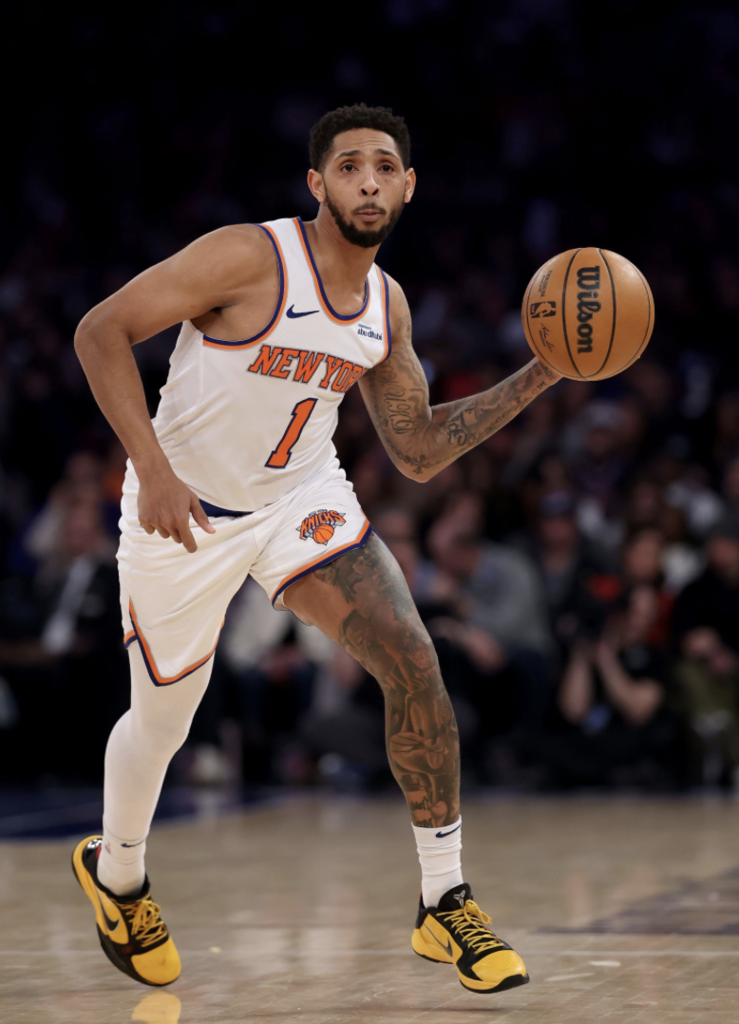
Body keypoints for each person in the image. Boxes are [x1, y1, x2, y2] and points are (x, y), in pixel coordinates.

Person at [71, 104, 561, 995]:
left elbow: (416, 451)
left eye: (384, 167)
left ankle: (444, 900)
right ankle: (119, 874)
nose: (367, 181)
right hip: (183, 507)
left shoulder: (386, 304)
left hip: (299, 498)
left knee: (412, 655)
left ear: (408, 187)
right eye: (348, 167)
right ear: (317, 183)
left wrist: (544, 369)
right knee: (165, 720)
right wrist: (151, 468)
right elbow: (99, 330)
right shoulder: (247, 257)